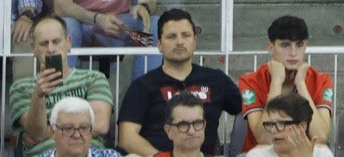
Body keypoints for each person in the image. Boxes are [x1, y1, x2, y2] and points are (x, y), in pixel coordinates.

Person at [117, 10, 242, 157]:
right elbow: (127, 138)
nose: (180, 42)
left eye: (186, 35)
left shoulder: (216, 80)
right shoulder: (142, 86)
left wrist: (254, 85)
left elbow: (248, 105)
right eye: (171, 37)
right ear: (159, 44)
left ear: (195, 40)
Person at [8, 17, 112, 157]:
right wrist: (38, 96)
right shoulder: (21, 87)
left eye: (56, 41)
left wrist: (48, 132)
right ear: (34, 48)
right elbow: (36, 133)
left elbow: (100, 125)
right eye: (44, 43)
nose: (51, 49)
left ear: (68, 43)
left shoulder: (94, 78)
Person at [236, 16, 334, 150]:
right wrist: (276, 82)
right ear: (270, 48)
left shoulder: (321, 80)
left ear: (306, 47)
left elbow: (320, 136)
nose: (293, 53)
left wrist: (301, 84)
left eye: (299, 45)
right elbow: (265, 138)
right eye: (285, 45)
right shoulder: (250, 81)